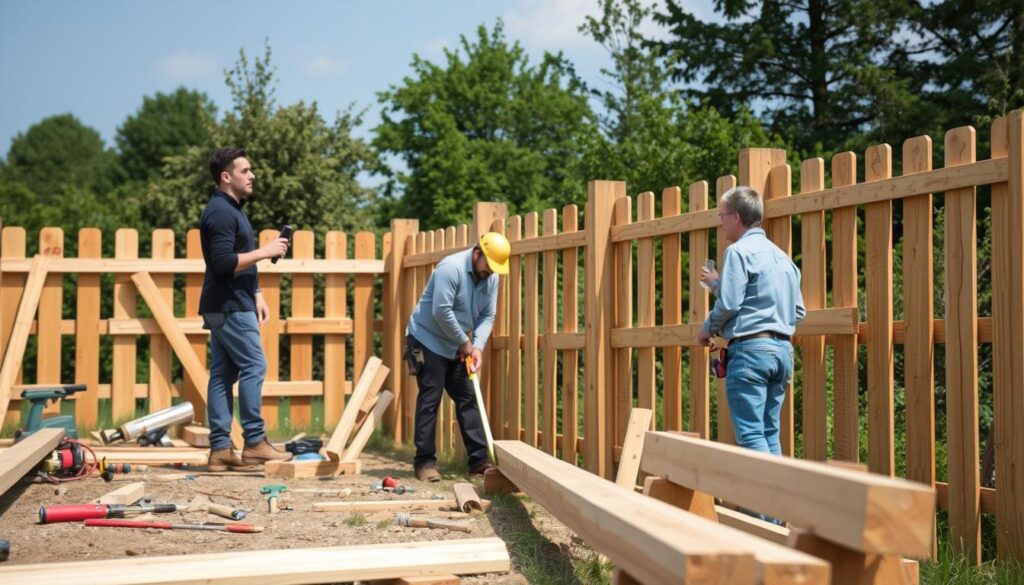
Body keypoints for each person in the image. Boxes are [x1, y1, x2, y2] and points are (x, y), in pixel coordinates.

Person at [200, 147, 293, 471]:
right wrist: (266, 251)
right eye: (245, 171)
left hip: (225, 303)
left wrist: (256, 292)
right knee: (255, 365)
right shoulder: (222, 213)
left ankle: (221, 450)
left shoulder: (230, 210)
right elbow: (223, 262)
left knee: (223, 374)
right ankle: (255, 442)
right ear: (226, 177)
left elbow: (234, 262)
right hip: (228, 306)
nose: (252, 175)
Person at [698, 186, 805, 457]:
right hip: (783, 352)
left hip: (750, 353)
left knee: (750, 435)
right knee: (769, 433)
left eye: (721, 216)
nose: (720, 222)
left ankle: (757, 501)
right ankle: (777, 499)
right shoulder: (785, 259)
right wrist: (718, 284)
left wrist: (707, 326)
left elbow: (731, 303)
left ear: (735, 217)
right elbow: (798, 312)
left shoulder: (738, 252)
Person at [405, 232, 510, 482]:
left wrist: (477, 347)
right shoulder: (450, 269)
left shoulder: (490, 278)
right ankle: (425, 463)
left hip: (456, 344)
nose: (491, 272)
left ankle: (478, 461)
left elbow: (488, 316)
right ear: (477, 253)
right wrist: (465, 343)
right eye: (489, 265)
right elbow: (441, 311)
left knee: (468, 398)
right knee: (430, 398)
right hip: (425, 339)